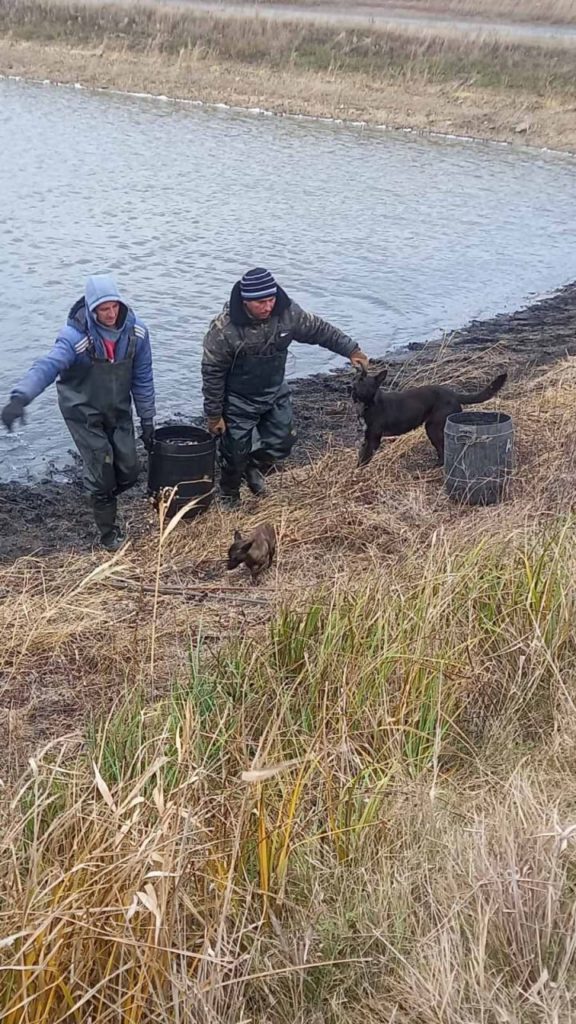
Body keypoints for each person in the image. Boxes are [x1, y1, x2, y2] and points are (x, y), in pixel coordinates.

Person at [1, 274, 155, 551]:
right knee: (102, 471)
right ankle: (109, 533)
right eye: (103, 309)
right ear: (91, 308)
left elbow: (143, 378)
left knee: (130, 470)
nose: (110, 314)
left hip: (118, 409)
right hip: (83, 412)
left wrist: (147, 420)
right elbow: (48, 366)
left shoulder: (137, 333)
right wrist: (20, 397)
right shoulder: (75, 337)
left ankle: (101, 493)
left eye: (114, 307)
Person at [202, 267, 369, 507]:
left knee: (283, 442)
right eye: (261, 302)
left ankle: (253, 466)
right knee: (234, 453)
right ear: (246, 301)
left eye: (271, 299)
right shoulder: (223, 330)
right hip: (237, 398)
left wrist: (351, 349)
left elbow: (320, 331)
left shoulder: (288, 313)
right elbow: (211, 373)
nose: (268, 306)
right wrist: (214, 414)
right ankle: (229, 495)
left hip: (273, 391)